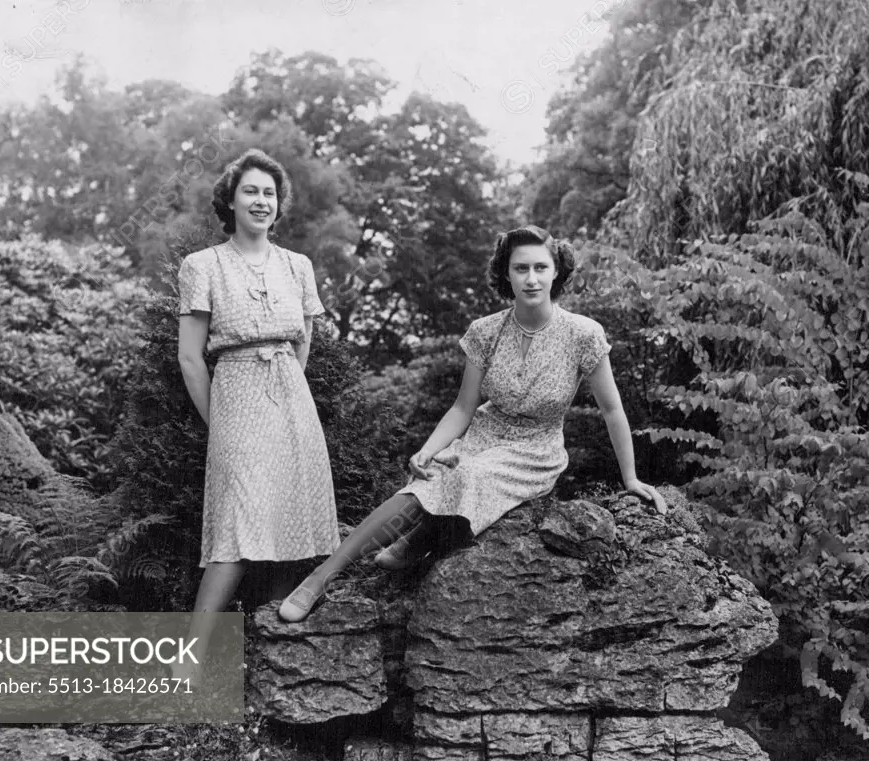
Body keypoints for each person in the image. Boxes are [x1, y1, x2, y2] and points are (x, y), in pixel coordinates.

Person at [279, 224, 666, 623]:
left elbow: (612, 410)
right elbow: (463, 409)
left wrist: (631, 479)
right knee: (430, 479)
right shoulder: (485, 331)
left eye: (540, 267)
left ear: (556, 271)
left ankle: (418, 541)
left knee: (471, 476)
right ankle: (320, 578)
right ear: (506, 274)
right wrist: (428, 451)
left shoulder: (583, 334)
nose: (531, 279)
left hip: (535, 451)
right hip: (482, 434)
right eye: (520, 269)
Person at [177, 149, 339, 671]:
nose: (261, 201)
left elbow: (303, 343)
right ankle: (189, 657)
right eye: (250, 191)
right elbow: (189, 356)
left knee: (290, 519)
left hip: (290, 399)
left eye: (269, 193)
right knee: (237, 523)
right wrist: (219, 421)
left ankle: (272, 657)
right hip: (236, 397)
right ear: (230, 199)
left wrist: (286, 389)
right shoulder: (202, 266)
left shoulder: (298, 266)